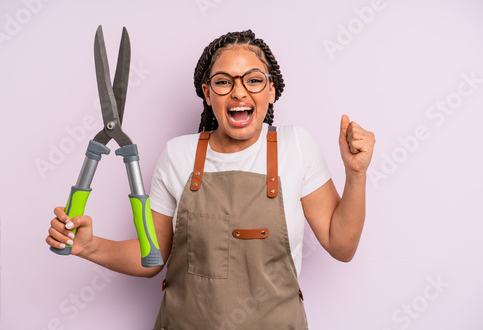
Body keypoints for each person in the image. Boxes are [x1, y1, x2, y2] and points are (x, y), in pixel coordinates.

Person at [46, 29, 375, 329]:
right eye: (223, 81)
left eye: (254, 80)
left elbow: (341, 246)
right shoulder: (178, 154)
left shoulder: (296, 146)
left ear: (271, 90)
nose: (239, 92)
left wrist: (355, 174)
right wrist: (89, 247)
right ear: (207, 92)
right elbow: (152, 257)